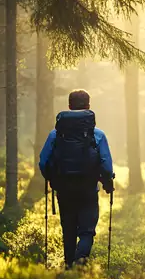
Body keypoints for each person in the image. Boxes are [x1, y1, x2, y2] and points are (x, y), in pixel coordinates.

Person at [39, 89, 114, 269]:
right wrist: (107, 182)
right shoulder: (98, 135)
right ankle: (80, 265)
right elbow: (106, 165)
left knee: (69, 230)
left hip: (64, 190)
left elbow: (43, 162)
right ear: (88, 106)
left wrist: (52, 178)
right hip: (88, 189)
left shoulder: (55, 135)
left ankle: (69, 266)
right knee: (87, 231)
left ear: (69, 106)